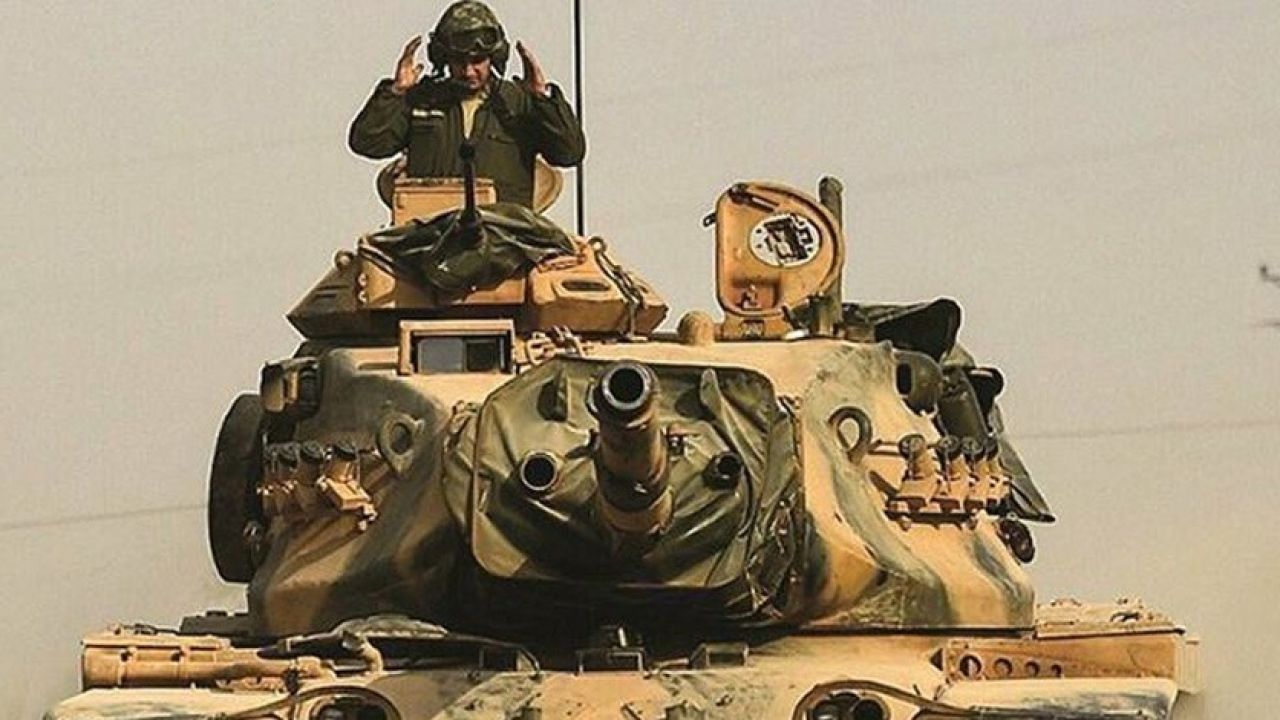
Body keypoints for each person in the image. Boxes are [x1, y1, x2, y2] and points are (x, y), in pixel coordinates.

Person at [349, 1, 585, 209]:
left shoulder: (518, 102)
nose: (469, 71)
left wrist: (543, 99)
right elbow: (368, 143)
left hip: (504, 232)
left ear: (494, 57)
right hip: (431, 230)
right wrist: (395, 93)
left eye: (477, 60)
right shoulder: (422, 100)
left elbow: (569, 153)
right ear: (444, 59)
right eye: (459, 61)